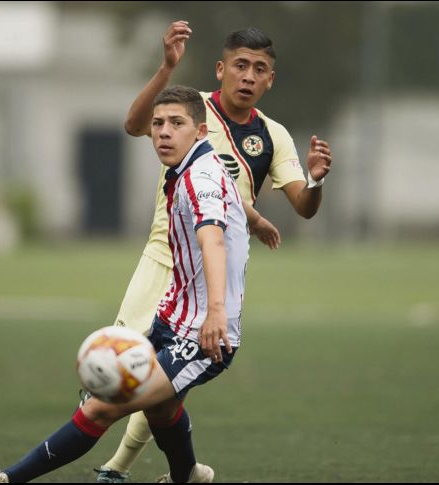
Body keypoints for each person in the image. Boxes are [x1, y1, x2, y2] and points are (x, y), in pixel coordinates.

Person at [96, 22, 333, 483]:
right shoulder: (190, 109)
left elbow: (304, 206)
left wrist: (317, 179)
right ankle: (187, 472)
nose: (248, 76)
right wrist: (167, 68)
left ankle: (116, 470)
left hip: (211, 271)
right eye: (240, 65)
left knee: (166, 380)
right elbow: (133, 125)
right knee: (119, 363)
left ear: (270, 80)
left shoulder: (273, 136)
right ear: (221, 69)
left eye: (259, 69)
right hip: (162, 257)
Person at [0, 85, 249, 484]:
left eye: (176, 123)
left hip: (202, 333)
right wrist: (255, 220)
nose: (163, 132)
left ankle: (8, 479)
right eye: (158, 123)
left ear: (200, 131)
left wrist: (215, 312)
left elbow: (212, 239)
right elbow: (228, 207)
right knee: (160, 409)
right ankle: (188, 476)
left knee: (102, 407)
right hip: (172, 317)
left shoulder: (200, 177)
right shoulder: (191, 168)